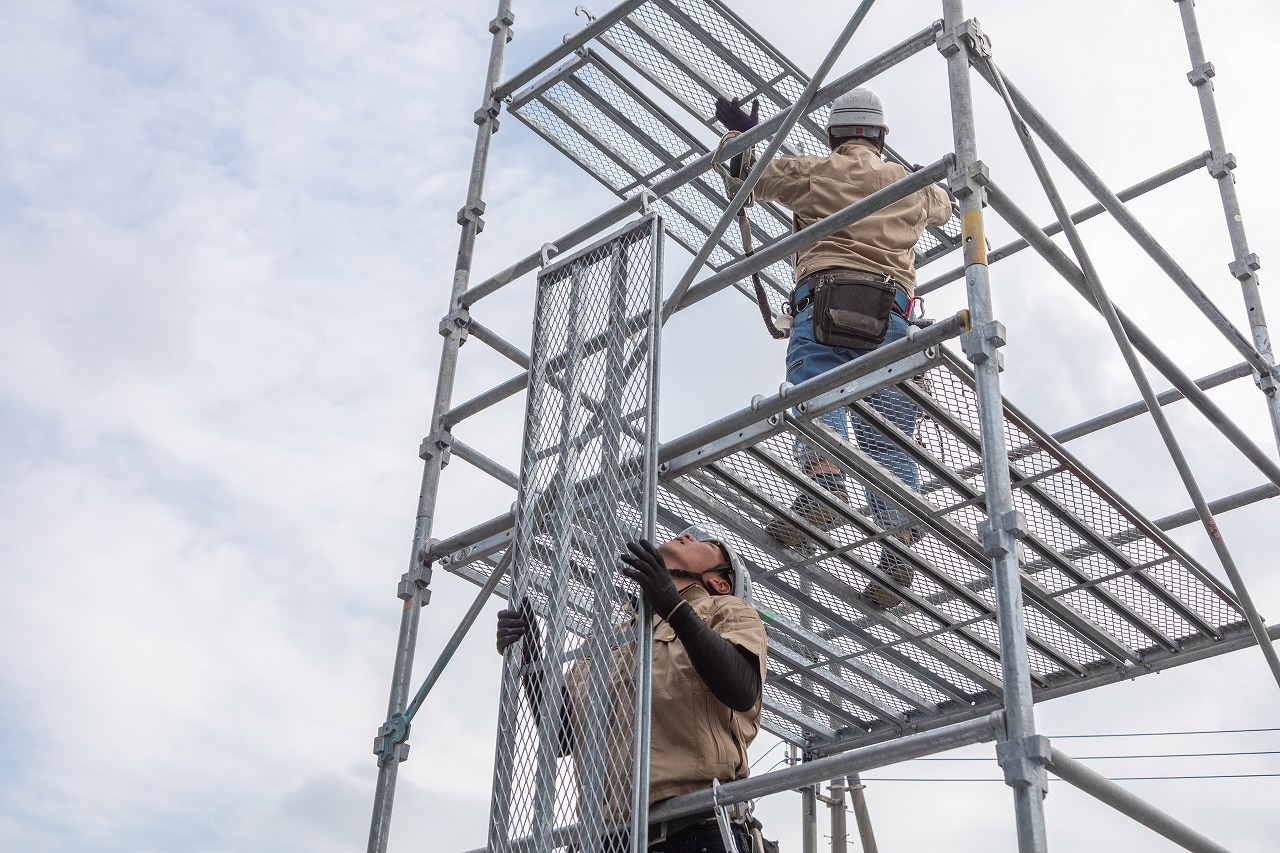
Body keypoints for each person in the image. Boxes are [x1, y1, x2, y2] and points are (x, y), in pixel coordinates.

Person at [715, 87, 952, 609]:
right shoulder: (908, 187)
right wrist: (922, 176)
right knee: (889, 433)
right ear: (881, 137)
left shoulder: (814, 172)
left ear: (832, 136)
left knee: (816, 395)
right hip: (890, 315)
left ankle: (825, 484)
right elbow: (946, 202)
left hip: (821, 301)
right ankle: (901, 543)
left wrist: (739, 138)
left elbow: (744, 176)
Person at [496, 527, 767, 852]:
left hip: (694, 831)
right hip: (607, 840)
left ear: (720, 582)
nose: (686, 536)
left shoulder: (727, 611)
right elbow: (561, 737)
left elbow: (742, 687)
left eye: (705, 544)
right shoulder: (607, 641)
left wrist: (673, 605)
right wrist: (532, 656)